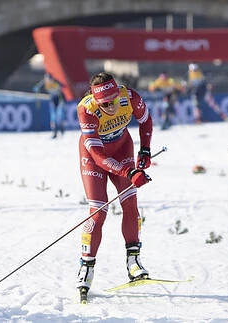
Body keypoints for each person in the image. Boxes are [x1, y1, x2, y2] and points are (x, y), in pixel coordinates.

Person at [75, 72, 153, 301]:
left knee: (130, 203)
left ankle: (133, 262)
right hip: (94, 157)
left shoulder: (128, 96)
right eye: (104, 103)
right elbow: (98, 156)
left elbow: (145, 120)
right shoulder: (86, 109)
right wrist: (129, 172)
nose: (109, 106)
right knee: (98, 212)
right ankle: (86, 268)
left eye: (112, 100)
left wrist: (145, 150)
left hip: (122, 148)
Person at [33, 72, 66, 138]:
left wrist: (59, 86)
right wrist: (37, 88)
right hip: (53, 99)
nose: (48, 80)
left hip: (60, 99)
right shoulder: (44, 83)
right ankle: (55, 132)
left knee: (59, 115)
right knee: (53, 116)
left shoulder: (55, 82)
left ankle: (61, 128)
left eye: (49, 79)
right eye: (47, 79)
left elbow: (63, 86)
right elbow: (36, 87)